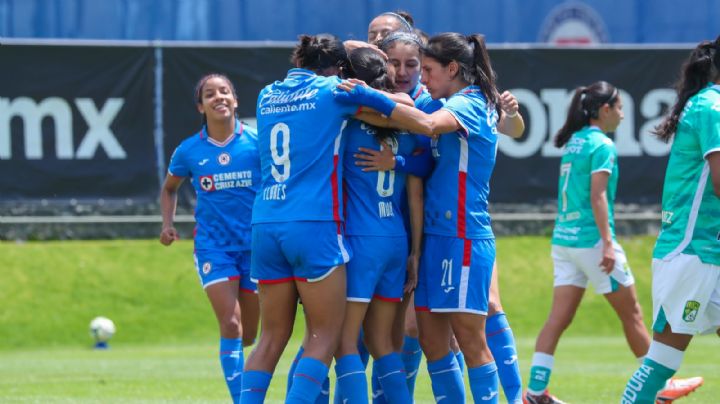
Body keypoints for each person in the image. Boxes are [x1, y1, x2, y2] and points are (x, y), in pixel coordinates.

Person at [337, 32, 511, 403]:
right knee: (432, 342)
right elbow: (404, 109)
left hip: (463, 236)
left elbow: (427, 126)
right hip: (434, 238)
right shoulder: (439, 103)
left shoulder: (471, 103)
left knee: (470, 339)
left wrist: (364, 95)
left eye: (428, 70)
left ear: (452, 69)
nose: (423, 79)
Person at [240, 33, 411, 404]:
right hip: (314, 224)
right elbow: (398, 107)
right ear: (336, 69)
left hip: (266, 222)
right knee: (326, 336)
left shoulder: (267, 94)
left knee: (270, 339)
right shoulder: (334, 92)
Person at [524, 80, 703, 404]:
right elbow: (598, 197)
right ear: (604, 110)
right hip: (593, 242)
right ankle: (661, 386)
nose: (622, 114)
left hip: (564, 241)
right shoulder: (602, 146)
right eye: (619, 108)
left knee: (556, 320)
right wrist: (608, 243)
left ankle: (535, 392)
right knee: (632, 314)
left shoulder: (574, 142)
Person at [620, 36, 720, 404]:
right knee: (662, 362)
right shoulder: (713, 107)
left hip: (705, 250)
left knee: (663, 359)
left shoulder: (706, 103)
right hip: (691, 252)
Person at [160, 73, 260, 404]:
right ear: (200, 106)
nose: (218, 97)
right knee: (231, 325)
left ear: (235, 100)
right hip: (213, 248)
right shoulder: (189, 151)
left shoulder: (258, 143)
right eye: (209, 94)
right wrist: (167, 224)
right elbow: (169, 188)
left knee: (249, 334)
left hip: (257, 248)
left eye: (225, 91)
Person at [333, 47, 420, 404]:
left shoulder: (346, 124)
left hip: (361, 239)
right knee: (383, 342)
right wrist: (416, 251)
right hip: (395, 238)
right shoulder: (405, 125)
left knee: (344, 342)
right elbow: (416, 193)